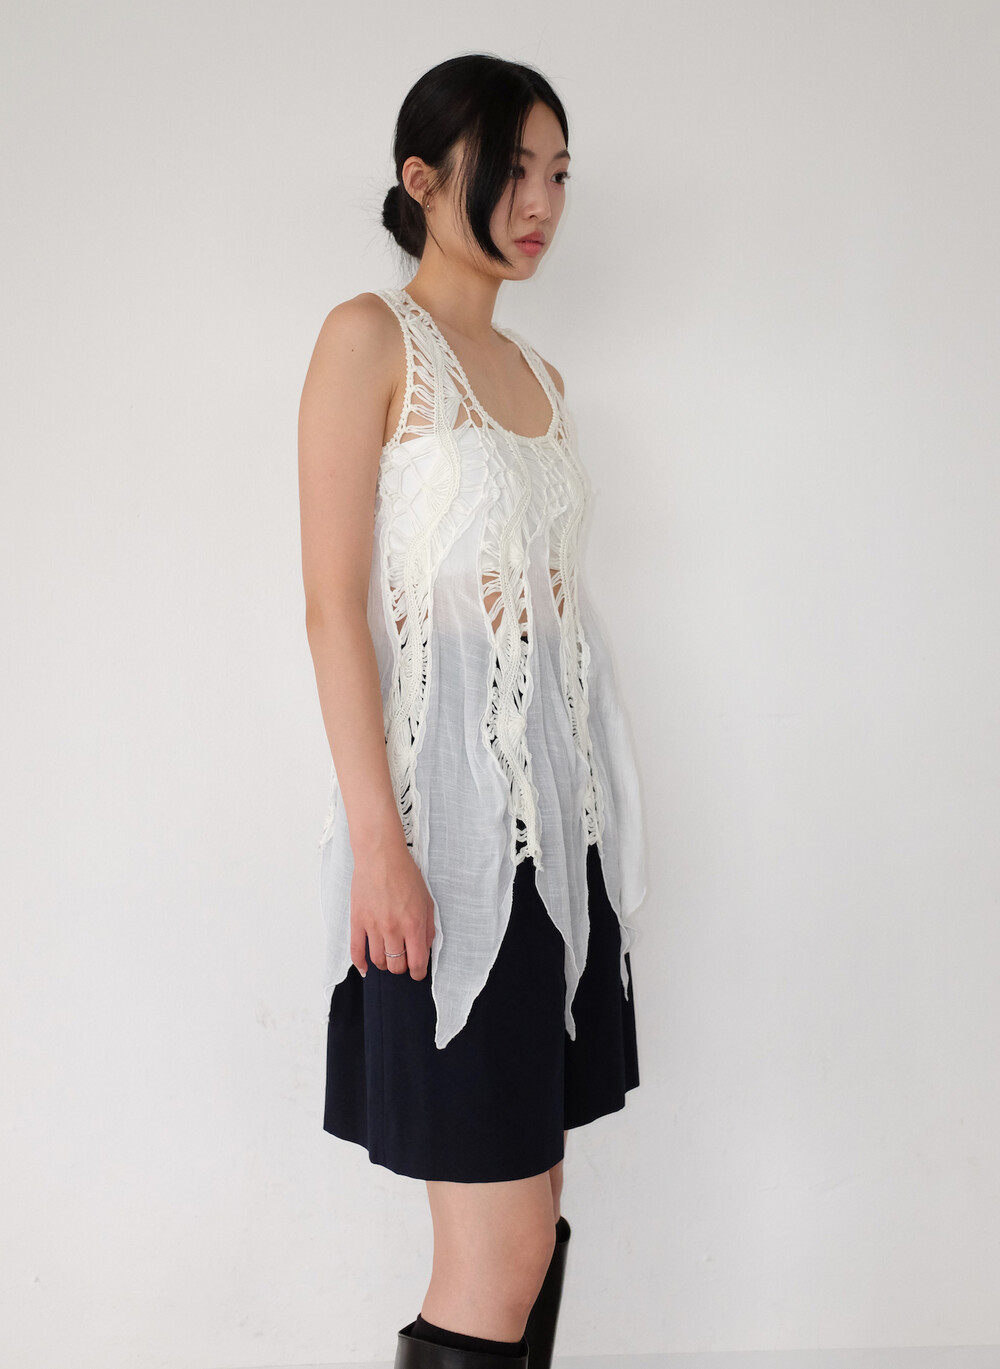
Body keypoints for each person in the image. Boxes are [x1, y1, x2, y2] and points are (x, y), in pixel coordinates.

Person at [297, 52, 647, 1369]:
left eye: (558, 173)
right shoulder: (369, 338)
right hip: (443, 846)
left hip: (558, 841)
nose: (540, 200)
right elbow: (332, 608)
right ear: (425, 179)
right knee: (492, 1259)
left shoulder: (541, 377)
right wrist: (378, 846)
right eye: (512, 169)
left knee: (534, 1224)